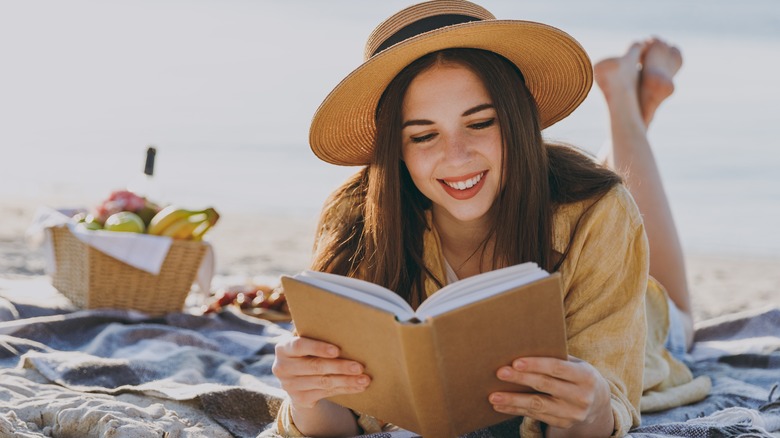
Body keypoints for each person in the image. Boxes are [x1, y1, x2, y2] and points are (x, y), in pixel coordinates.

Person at [269, 1, 711, 436]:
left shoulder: (600, 211)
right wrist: (307, 397)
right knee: (578, 186)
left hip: (641, 320)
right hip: (550, 193)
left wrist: (591, 405)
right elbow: (341, 421)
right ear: (395, 148)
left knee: (680, 318)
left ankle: (625, 107)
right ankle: (633, 103)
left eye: (480, 123)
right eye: (423, 135)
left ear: (515, 119)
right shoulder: (355, 219)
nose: (456, 157)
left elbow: (605, 401)